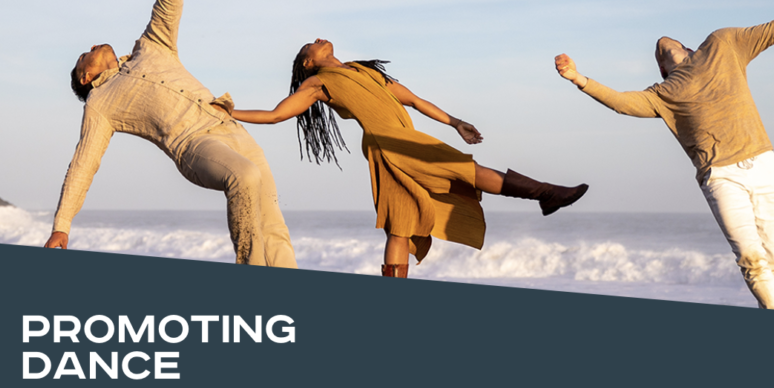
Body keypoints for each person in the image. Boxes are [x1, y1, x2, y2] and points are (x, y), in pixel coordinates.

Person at [554, 0, 774, 310]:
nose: (662, 44)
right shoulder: (664, 93)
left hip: (764, 164)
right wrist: (578, 78)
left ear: (691, 48)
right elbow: (622, 103)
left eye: (673, 44)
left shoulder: (723, 44)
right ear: (663, 71)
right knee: (752, 261)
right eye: (659, 54)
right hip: (721, 176)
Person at [43, 0, 297, 268]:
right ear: (86, 76)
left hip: (230, 127)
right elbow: (83, 165)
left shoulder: (150, 47)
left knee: (273, 224)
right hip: (194, 146)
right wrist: (62, 226)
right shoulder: (99, 104)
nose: (90, 47)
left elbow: (166, 6)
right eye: (82, 56)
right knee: (244, 176)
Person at [231, 40, 588, 277]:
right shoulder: (318, 83)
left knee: (399, 224)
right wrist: (232, 112)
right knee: (465, 171)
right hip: (390, 143)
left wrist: (456, 122)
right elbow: (277, 114)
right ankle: (546, 194)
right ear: (309, 61)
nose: (317, 36)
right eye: (310, 43)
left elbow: (414, 100)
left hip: (400, 140)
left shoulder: (366, 72)